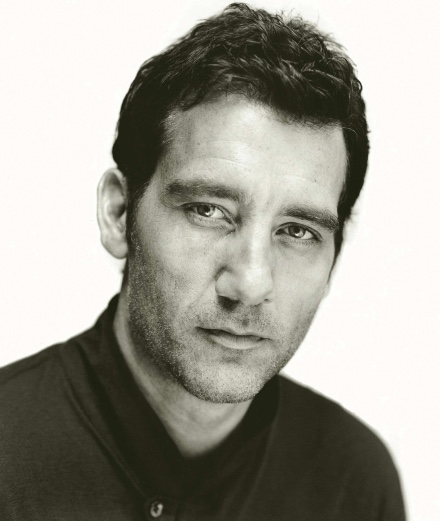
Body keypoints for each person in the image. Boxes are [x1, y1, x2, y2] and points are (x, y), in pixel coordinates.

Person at [0, 3, 405, 520]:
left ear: (335, 256)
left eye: (297, 231)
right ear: (119, 214)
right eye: (208, 211)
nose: (250, 282)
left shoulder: (353, 484)